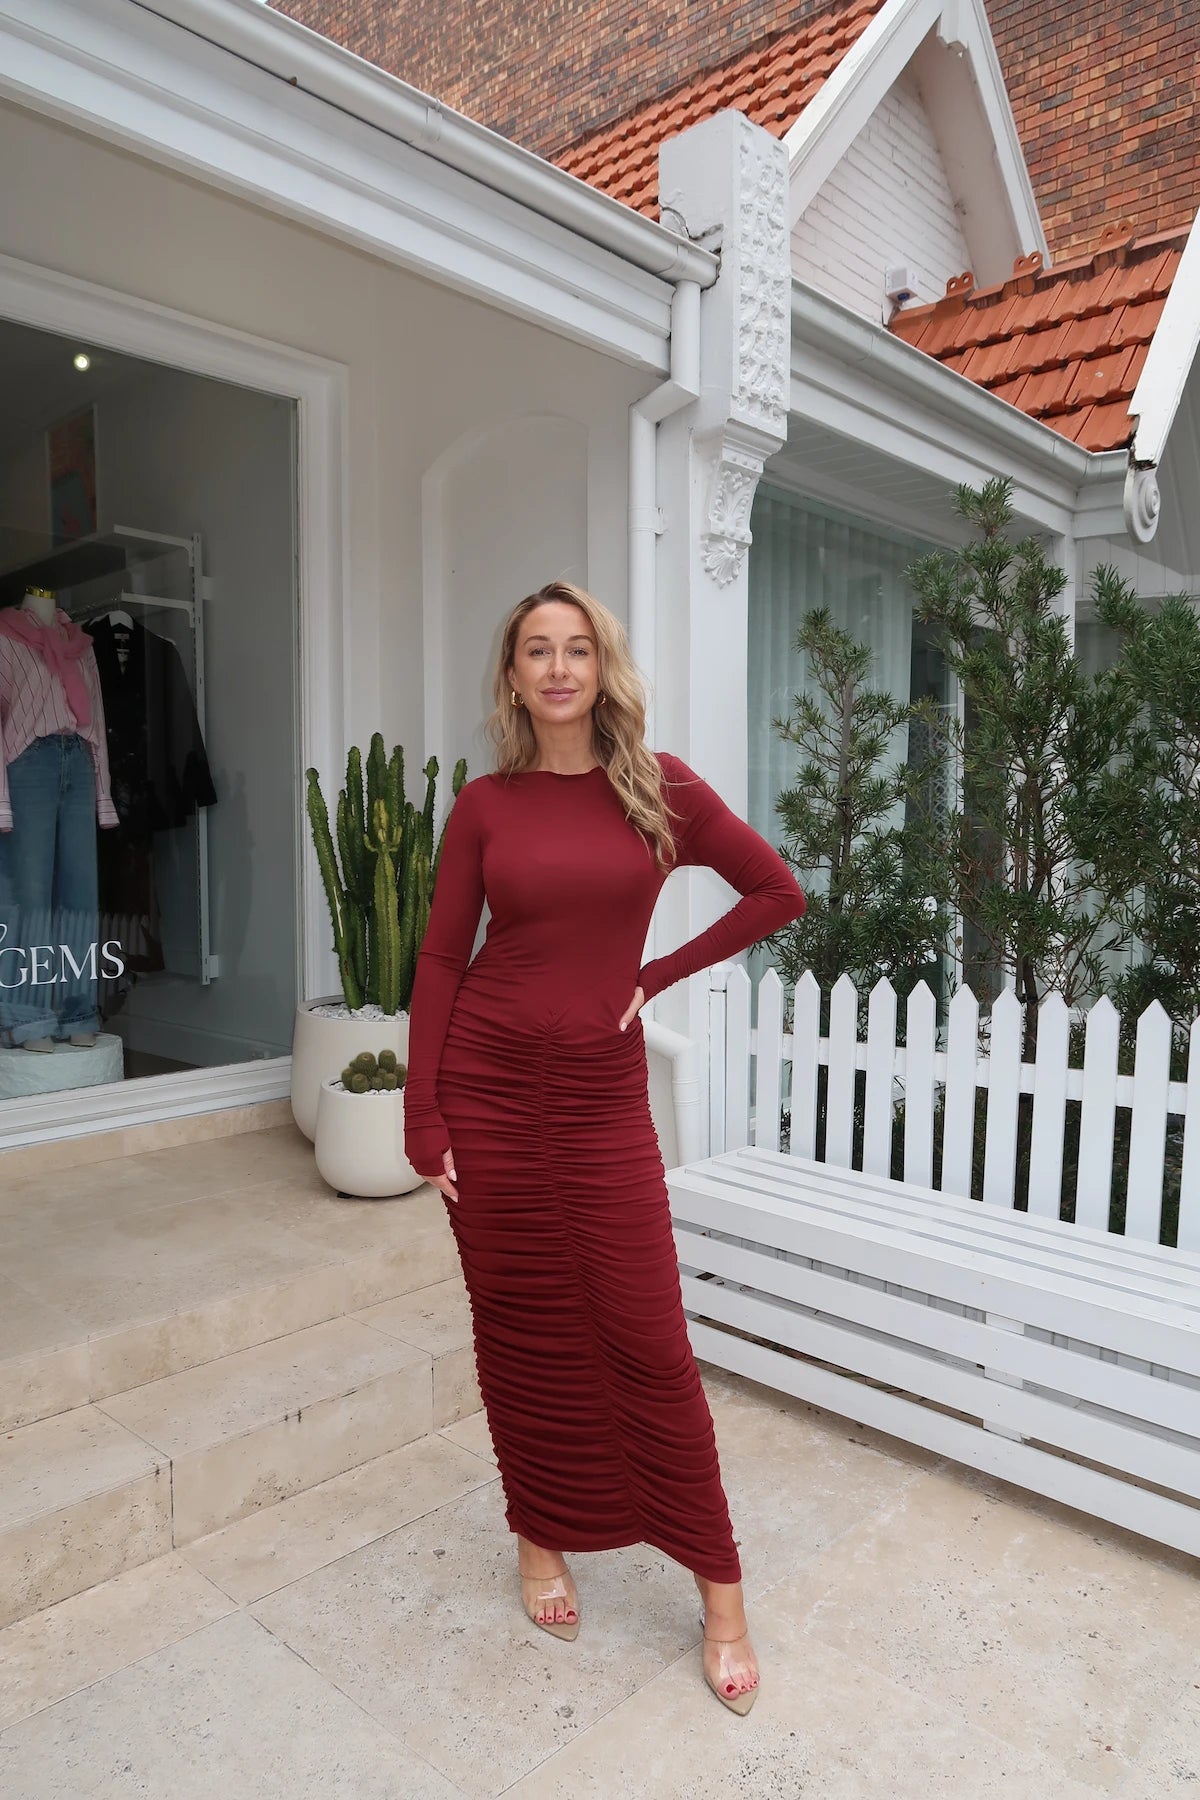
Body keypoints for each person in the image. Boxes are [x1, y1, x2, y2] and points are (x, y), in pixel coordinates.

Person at [403, 580, 806, 1716]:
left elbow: (777, 891)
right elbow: (440, 962)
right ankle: (540, 1538)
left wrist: (656, 976)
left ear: (602, 665)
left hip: (597, 1098)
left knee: (650, 1338)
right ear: (513, 676)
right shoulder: (484, 806)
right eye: (538, 649)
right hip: (485, 1089)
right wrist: (421, 1114)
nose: (560, 667)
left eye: (578, 648)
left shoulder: (658, 789)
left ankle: (721, 1598)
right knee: (523, 1330)